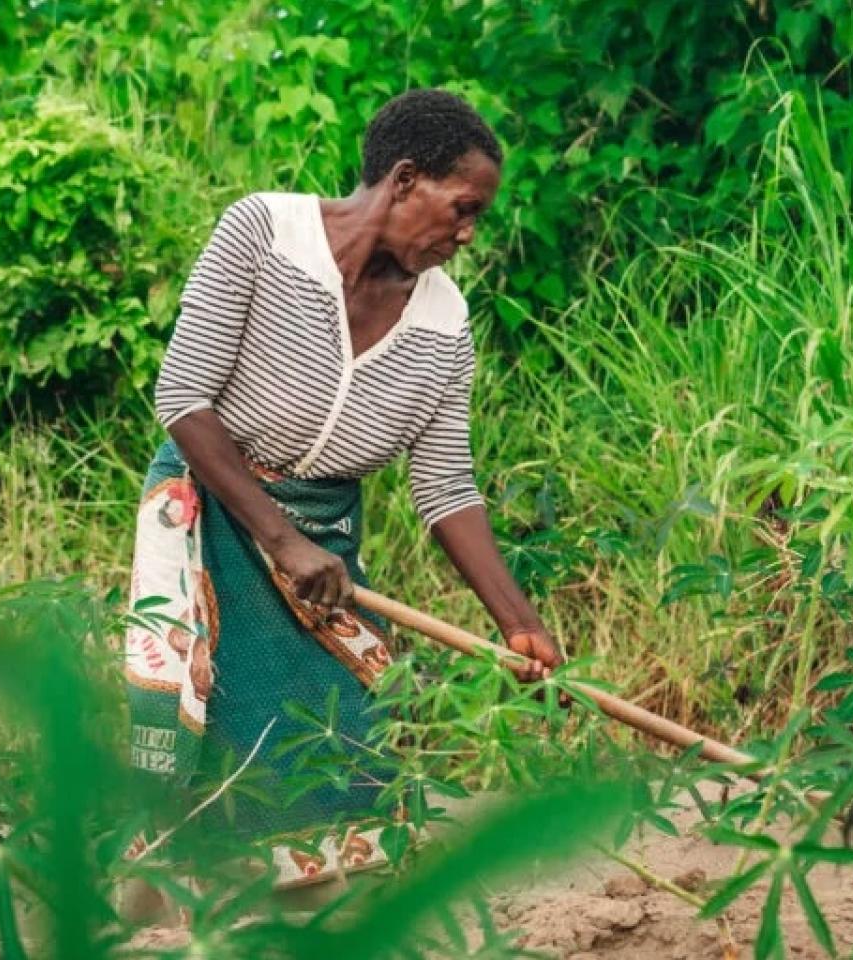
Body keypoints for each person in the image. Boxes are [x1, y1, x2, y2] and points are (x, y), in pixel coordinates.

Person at [120, 87, 563, 904]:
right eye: (462, 209)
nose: (468, 234)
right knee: (216, 723)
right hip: (212, 516)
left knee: (341, 730)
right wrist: (279, 540)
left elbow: (445, 486)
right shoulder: (263, 233)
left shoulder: (444, 320)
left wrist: (518, 621)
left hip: (323, 552)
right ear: (403, 180)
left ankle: (307, 895)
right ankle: (165, 890)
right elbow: (183, 396)